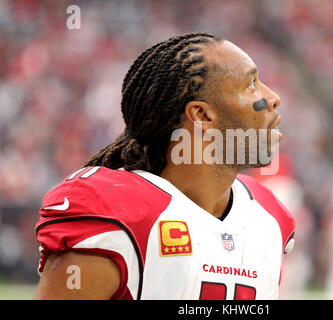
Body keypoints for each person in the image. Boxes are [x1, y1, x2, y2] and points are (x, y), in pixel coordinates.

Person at [34, 32, 295, 300]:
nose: (273, 97)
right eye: (250, 84)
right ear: (202, 115)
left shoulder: (267, 215)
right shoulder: (117, 217)